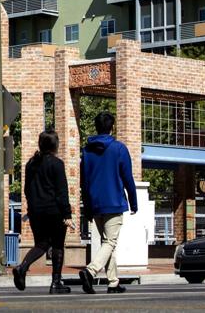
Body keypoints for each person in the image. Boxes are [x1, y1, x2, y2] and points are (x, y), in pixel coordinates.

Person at [78, 111, 138, 294]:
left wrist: (87, 206)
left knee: (107, 242)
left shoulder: (87, 151)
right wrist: (134, 202)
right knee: (110, 242)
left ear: (96, 127)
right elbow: (127, 178)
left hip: (95, 203)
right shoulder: (119, 148)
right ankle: (90, 271)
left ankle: (113, 282)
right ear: (112, 127)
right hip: (114, 201)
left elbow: (83, 182)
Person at [12, 130, 74, 294]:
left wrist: (31, 208)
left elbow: (27, 190)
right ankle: (56, 282)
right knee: (58, 245)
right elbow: (62, 192)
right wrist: (67, 214)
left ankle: (23, 266)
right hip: (54, 211)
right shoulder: (57, 164)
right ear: (55, 145)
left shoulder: (30, 164)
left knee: (41, 244)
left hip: (36, 212)